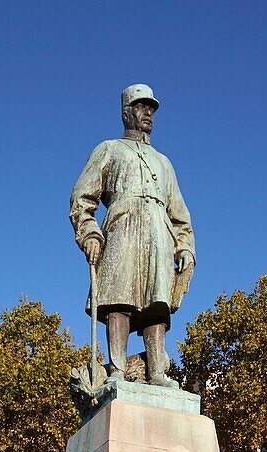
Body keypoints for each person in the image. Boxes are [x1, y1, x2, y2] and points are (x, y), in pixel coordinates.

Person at [70, 84, 195, 388]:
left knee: (157, 302)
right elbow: (82, 198)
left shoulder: (164, 162)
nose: (148, 113)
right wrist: (89, 232)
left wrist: (185, 248)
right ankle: (116, 370)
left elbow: (179, 214)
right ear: (126, 113)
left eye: (151, 108)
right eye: (141, 107)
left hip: (158, 234)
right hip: (122, 228)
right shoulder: (109, 149)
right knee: (118, 299)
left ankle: (156, 372)